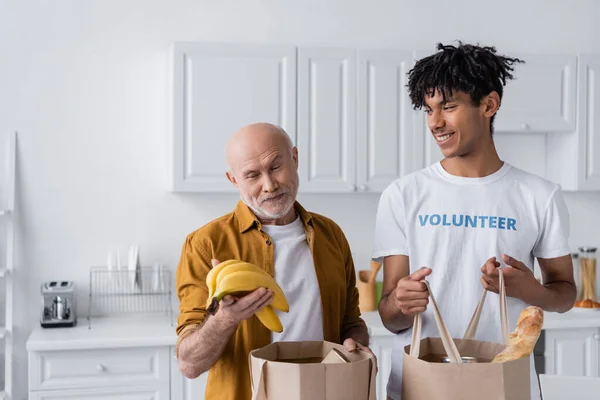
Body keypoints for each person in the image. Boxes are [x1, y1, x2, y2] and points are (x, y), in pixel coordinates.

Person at [372, 42, 576, 400]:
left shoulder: (539, 195)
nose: (436, 122)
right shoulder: (402, 194)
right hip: (421, 385)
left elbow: (565, 295)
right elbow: (390, 317)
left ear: (489, 105)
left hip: (501, 385)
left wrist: (530, 290)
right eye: (429, 109)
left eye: (449, 107)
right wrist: (401, 302)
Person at [175, 122, 373, 400]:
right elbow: (189, 364)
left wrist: (358, 342)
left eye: (276, 167)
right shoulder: (206, 244)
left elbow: (351, 321)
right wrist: (225, 319)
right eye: (252, 175)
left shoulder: (331, 235)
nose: (269, 185)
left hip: (325, 392)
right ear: (234, 180)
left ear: (295, 158)